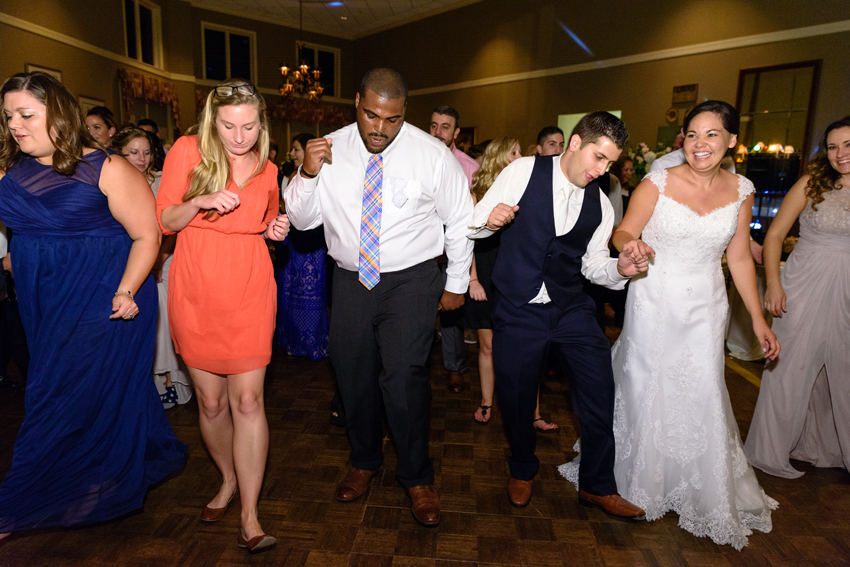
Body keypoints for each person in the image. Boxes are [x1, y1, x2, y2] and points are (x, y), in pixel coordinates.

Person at [561, 101, 780, 550]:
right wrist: (633, 244)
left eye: (712, 134)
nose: (700, 144)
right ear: (683, 138)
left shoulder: (742, 189)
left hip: (706, 304)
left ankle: (697, 483)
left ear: (731, 140)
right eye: (693, 134)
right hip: (654, 297)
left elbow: (738, 256)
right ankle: (639, 479)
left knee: (701, 387)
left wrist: (758, 320)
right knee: (647, 381)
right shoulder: (657, 182)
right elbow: (621, 233)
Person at [0, 72, 186, 538]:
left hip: (106, 298)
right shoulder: (9, 169)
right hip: (44, 301)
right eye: (8, 116)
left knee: (53, 392)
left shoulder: (106, 168)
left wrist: (125, 290)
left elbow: (149, 234)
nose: (15, 125)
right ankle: (109, 468)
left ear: (58, 114)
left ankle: (20, 502)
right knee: (89, 389)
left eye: (26, 114)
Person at [285, 68, 473, 527]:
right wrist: (307, 174)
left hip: (411, 280)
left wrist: (456, 284)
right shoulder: (328, 149)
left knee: (405, 377)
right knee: (352, 374)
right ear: (356, 103)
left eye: (391, 120)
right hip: (350, 280)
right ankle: (365, 460)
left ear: (404, 113)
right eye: (371, 116)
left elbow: (460, 218)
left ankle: (417, 476)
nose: (379, 129)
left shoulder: (431, 155)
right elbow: (302, 221)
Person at [471, 111, 646, 518]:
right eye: (598, 158)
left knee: (600, 391)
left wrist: (620, 269)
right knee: (514, 398)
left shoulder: (600, 205)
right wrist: (490, 218)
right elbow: (474, 222)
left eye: (610, 163)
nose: (602, 171)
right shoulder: (523, 171)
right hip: (518, 307)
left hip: (571, 309)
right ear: (575, 144)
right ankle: (521, 469)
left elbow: (593, 266)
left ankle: (598, 486)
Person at [157, 80, 289, 553]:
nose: (239, 136)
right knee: (211, 404)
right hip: (195, 284)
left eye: (249, 126)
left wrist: (278, 228)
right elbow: (164, 220)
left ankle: (250, 515)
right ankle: (228, 480)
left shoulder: (269, 167)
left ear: (262, 123)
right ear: (214, 120)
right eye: (229, 125)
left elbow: (271, 221)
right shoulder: (187, 150)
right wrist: (198, 201)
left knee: (249, 401)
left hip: (251, 283)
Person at [745, 116, 850, 478]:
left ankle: (823, 446)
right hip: (803, 284)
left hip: (847, 291)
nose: (840, 154)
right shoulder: (812, 183)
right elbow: (774, 237)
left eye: (848, 145)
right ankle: (771, 449)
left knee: (841, 373)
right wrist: (774, 284)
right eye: (833, 146)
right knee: (790, 367)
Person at [113, 126, 192, 409]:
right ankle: (152, 386)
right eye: (133, 152)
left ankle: (174, 381)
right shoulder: (112, 182)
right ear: (118, 153)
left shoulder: (160, 180)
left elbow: (170, 227)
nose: (141, 158)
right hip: (128, 261)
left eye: (146, 152)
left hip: (165, 260)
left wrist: (159, 259)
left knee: (168, 322)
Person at [463, 137, 521, 423]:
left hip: (516, 276)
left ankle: (524, 409)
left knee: (516, 345)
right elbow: (467, 242)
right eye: (514, 152)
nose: (520, 156)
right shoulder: (477, 193)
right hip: (484, 272)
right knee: (487, 344)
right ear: (499, 157)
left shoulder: (524, 192)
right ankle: (487, 401)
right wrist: (473, 279)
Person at [430, 105, 479, 392]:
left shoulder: (469, 168)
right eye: (434, 125)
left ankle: (455, 367)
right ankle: (414, 365)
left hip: (453, 253)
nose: (438, 132)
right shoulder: (419, 158)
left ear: (457, 132)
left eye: (445, 126)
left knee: (450, 315)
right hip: (423, 251)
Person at [276, 132, 329, 361]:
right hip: (290, 243)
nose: (292, 154)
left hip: (313, 243)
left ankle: (312, 342)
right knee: (289, 295)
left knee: (312, 296)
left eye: (297, 149)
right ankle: (291, 340)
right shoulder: (289, 175)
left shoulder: (322, 175)